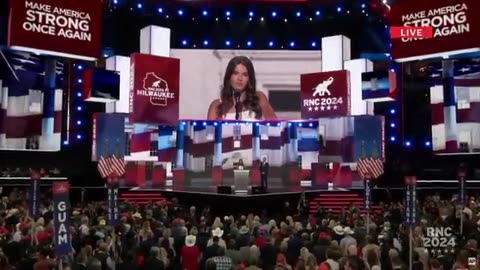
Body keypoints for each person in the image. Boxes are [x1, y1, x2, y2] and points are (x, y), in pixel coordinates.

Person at [207, 56, 277, 120]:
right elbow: (210, 132)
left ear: (249, 79)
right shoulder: (216, 106)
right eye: (235, 73)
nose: (240, 78)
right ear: (229, 76)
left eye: (245, 75)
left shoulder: (259, 98)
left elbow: (274, 126)